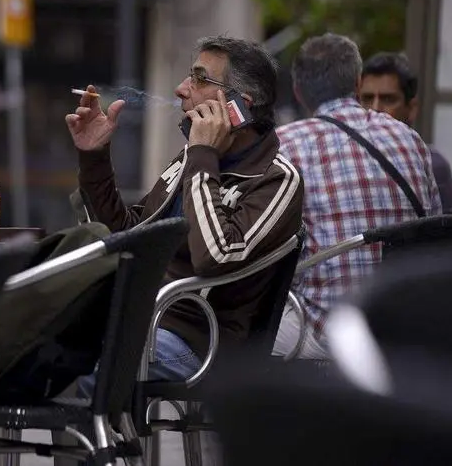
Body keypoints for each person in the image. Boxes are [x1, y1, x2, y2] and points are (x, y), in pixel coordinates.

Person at [66, 36, 303, 387]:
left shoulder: (275, 179)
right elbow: (126, 234)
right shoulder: (193, 159)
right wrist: (94, 157)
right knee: (37, 343)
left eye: (200, 78)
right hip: (142, 318)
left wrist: (203, 156)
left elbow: (215, 257)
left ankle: (105, 423)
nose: (181, 89)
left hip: (199, 344)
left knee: (79, 366)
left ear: (238, 106)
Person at [273, 34, 442, 359]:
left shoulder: (285, 144)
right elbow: (433, 230)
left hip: (328, 333)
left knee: (233, 327)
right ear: (357, 82)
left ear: (297, 90)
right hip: (404, 328)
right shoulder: (410, 138)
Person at [360, 52, 452, 213]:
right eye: (367, 98)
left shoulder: (432, 165)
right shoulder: (342, 159)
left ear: (411, 109)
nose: (375, 108)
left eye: (388, 99)